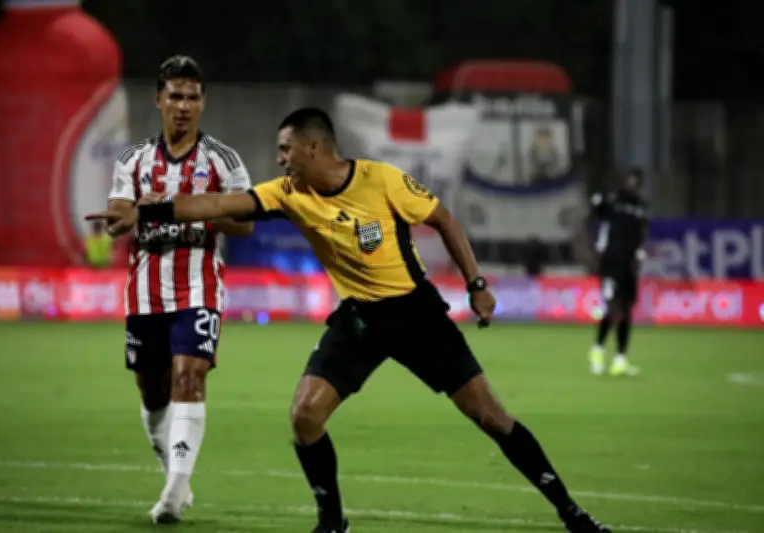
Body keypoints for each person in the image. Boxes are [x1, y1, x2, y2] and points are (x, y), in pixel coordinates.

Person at [89, 107, 611, 533]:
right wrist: (146, 212)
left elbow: (444, 220)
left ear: (314, 148)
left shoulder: (382, 181)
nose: (279, 160)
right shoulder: (288, 194)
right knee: (304, 417)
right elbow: (220, 203)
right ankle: (332, 521)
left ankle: (570, 511)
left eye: (285, 150)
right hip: (359, 320)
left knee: (492, 418)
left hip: (416, 315)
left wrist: (476, 285)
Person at [105, 55, 254, 523]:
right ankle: (174, 473)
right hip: (146, 292)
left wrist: (179, 209)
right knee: (152, 391)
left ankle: (173, 493)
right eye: (175, 96)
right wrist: (126, 214)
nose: (184, 106)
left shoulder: (223, 160)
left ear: (203, 102)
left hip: (199, 288)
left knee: (190, 375)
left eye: (192, 97)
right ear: (159, 100)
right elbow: (116, 217)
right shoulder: (133, 160)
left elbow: (246, 223)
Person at [585, 168, 649, 377]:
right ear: (624, 181)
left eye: (636, 182)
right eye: (630, 180)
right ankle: (597, 350)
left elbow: (641, 233)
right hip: (611, 261)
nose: (633, 185)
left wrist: (639, 254)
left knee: (627, 308)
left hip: (629, 263)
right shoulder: (612, 199)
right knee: (612, 308)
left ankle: (620, 358)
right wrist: (592, 250)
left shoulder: (641, 207)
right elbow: (591, 217)